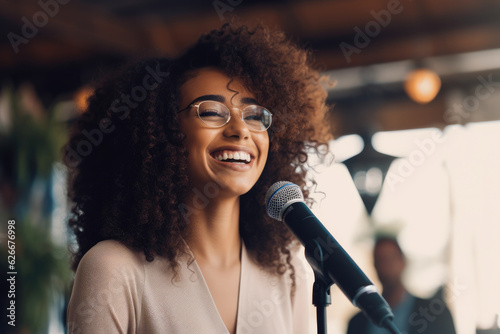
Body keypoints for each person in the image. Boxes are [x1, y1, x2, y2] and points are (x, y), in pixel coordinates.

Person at [64, 22, 331, 334]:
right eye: (211, 112)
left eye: (255, 115)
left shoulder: (290, 276)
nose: (240, 129)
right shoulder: (113, 269)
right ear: (162, 133)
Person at [347, 236, 456, 334]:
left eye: (391, 259)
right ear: (374, 265)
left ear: (403, 262)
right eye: (381, 261)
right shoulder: (357, 323)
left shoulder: (437, 315)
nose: (386, 268)